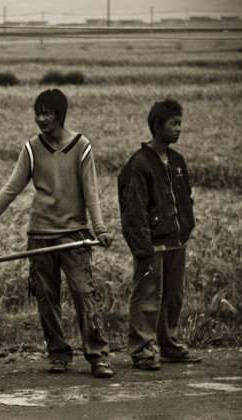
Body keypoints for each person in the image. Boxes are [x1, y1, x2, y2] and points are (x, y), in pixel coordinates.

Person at [0, 88, 114, 379]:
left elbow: (91, 192)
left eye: (47, 113)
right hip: (40, 233)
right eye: (38, 113)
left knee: (85, 295)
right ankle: (58, 354)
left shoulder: (81, 147)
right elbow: (10, 189)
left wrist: (100, 229)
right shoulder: (32, 148)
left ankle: (98, 355)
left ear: (60, 115)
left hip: (75, 235)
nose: (41, 118)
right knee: (46, 297)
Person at [117, 98, 200, 370]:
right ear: (156, 126)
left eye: (180, 123)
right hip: (152, 244)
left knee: (173, 295)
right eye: (173, 123)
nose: (179, 129)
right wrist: (142, 247)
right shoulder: (140, 163)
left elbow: (185, 195)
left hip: (177, 240)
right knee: (147, 296)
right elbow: (133, 210)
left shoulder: (177, 161)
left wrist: (186, 224)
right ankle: (141, 350)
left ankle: (169, 344)